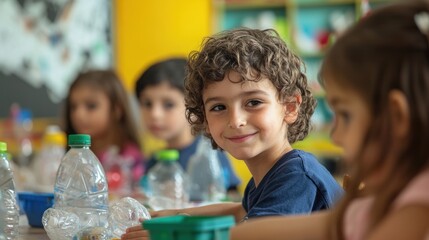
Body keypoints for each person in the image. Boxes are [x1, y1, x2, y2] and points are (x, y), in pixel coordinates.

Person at [229, 1, 429, 239]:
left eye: (345, 115)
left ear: (397, 116)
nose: (336, 135)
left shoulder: (418, 206)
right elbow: (248, 232)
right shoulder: (381, 204)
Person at [122, 28, 343, 239]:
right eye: (218, 107)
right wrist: (176, 215)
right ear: (205, 119)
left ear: (290, 107)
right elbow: (239, 211)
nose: (236, 121)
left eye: (254, 102)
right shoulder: (269, 174)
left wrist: (180, 234)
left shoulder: (296, 175)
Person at [134, 57, 241, 192]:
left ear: (195, 108)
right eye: (147, 104)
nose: (155, 114)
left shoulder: (209, 155)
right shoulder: (155, 161)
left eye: (168, 104)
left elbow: (232, 197)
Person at [64, 69, 145, 193]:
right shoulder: (70, 155)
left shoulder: (130, 158)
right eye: (73, 106)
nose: (78, 114)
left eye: (91, 106)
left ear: (117, 110)